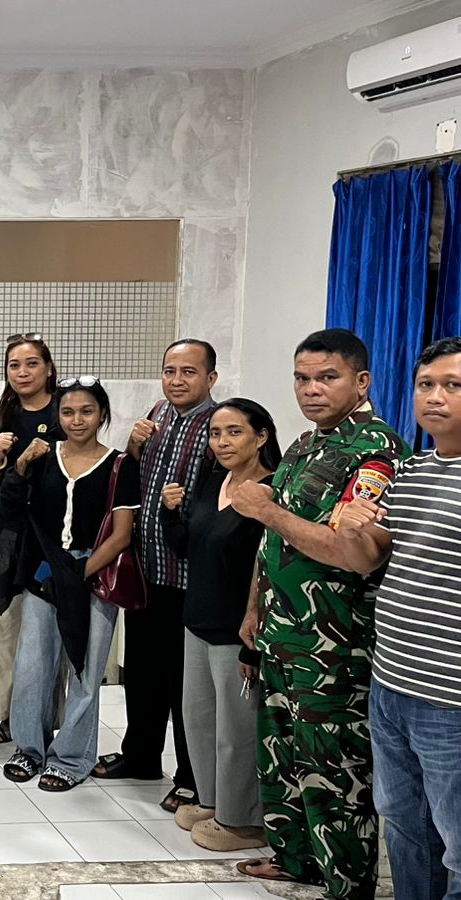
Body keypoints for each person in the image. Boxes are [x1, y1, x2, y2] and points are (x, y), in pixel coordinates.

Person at [228, 328, 407, 899]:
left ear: (362, 381)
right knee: (282, 753)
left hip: (335, 642)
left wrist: (265, 511)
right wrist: (254, 607)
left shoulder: (376, 452)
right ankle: (297, 859)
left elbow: (348, 552)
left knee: (334, 766)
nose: (311, 389)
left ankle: (345, 883)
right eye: (302, 378)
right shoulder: (306, 444)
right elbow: (273, 543)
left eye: (327, 377)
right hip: (283, 631)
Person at [322, 336, 461, 900]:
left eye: (453, 385)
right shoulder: (413, 470)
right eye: (426, 385)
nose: (435, 397)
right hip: (392, 681)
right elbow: (367, 561)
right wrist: (355, 528)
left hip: (449, 695)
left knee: (457, 838)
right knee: (404, 825)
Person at [94, 339, 218, 814]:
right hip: (147, 571)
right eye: (170, 371)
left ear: (210, 378)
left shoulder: (218, 425)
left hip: (189, 577)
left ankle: (191, 775)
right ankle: (141, 756)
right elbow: (133, 478)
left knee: (186, 684)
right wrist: (133, 445)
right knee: (143, 673)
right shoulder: (157, 416)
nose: (177, 380)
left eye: (189, 372)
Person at [0, 376, 139, 792]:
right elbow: (13, 504)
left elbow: (122, 534)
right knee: (32, 665)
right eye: (68, 412)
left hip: (92, 575)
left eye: (87, 411)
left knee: (86, 669)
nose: (77, 420)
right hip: (45, 573)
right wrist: (20, 463)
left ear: (102, 415)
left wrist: (82, 573)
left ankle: (72, 757)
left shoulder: (119, 465)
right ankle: (29, 748)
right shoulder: (44, 456)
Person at [161, 398, 278, 853]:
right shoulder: (215, 482)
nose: (222, 442)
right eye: (215, 433)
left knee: (236, 732)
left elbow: (268, 571)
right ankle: (211, 802)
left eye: (234, 432)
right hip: (197, 623)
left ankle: (242, 820)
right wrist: (170, 513)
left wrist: (254, 642)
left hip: (236, 632)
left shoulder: (269, 493)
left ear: (261, 437)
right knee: (200, 723)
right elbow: (189, 547)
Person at [0, 334, 61, 744]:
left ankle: (47, 717)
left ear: (48, 368)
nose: (23, 372)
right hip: (10, 533)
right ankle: (9, 717)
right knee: (7, 627)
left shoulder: (66, 410)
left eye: (31, 364)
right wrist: (0, 454)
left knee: (48, 629)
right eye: (14, 365)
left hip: (55, 534)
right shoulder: (1, 417)